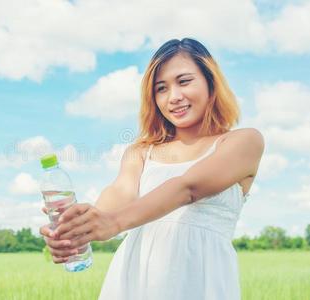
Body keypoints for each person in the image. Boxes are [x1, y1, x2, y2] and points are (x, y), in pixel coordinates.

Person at [39, 38, 264, 300]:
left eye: (184, 81)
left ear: (211, 83)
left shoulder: (243, 141)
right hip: (134, 282)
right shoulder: (141, 152)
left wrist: (113, 222)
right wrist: (80, 226)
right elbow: (120, 192)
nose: (174, 97)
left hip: (202, 281)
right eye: (161, 88)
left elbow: (188, 187)